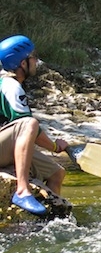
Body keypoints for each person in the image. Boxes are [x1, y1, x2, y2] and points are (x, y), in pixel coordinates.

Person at [0, 35, 69, 216]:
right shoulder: (10, 86)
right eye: (33, 57)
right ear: (23, 63)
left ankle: (52, 220)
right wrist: (55, 146)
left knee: (57, 173)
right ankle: (22, 190)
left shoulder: (10, 84)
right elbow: (28, 129)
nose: (36, 61)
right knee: (29, 123)